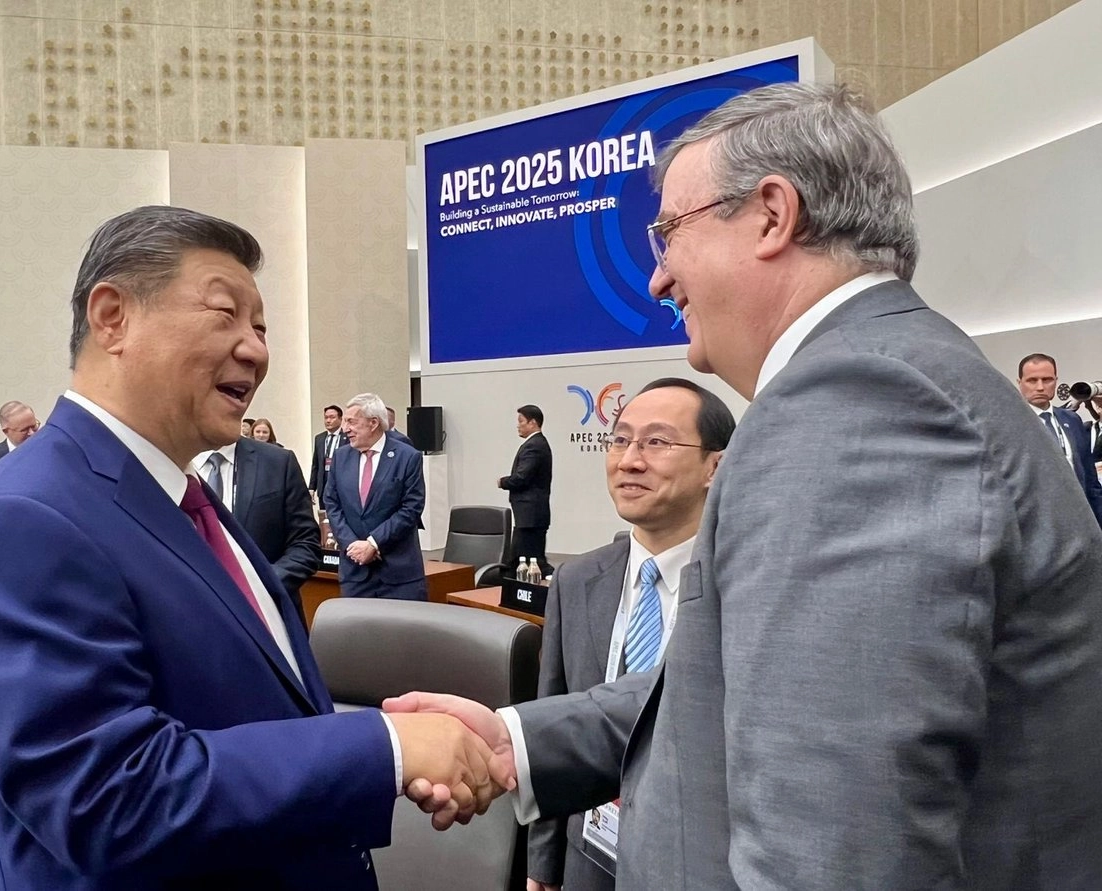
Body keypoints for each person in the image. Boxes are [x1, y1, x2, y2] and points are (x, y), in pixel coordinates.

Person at [388, 83, 1102, 889]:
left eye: (667, 233)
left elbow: (836, 852)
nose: (658, 280)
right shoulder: (886, 380)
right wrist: (509, 742)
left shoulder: (857, 401)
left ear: (771, 214)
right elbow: (750, 684)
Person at [0, 206, 500, 889]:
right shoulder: (22, 517)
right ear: (112, 317)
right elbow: (106, 797)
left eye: (260, 326)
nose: (256, 348)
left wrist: (391, 736)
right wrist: (384, 748)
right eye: (225, 314)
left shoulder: (185, 502)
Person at [527, 378, 732, 891]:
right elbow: (560, 724)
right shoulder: (575, 581)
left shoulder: (748, 589)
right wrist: (544, 864)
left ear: (716, 466)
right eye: (620, 440)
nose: (630, 460)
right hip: (589, 856)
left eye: (657, 442)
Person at [324, 392, 427, 600]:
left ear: (373, 423)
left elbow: (412, 508)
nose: (345, 429)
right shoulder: (341, 457)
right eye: (344, 421)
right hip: (355, 573)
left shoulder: (407, 457)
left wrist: (373, 543)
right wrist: (352, 545)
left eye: (351, 422)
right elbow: (332, 503)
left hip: (398, 575)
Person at [195, 433, 321, 598]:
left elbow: (305, 542)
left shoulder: (278, 462)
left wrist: (263, 586)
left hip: (264, 611)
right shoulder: (165, 464)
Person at [1016, 352, 1102, 527]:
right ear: (1020, 383)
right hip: (1036, 524)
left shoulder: (1071, 419)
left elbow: (1091, 480)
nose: (1040, 387)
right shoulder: (1009, 423)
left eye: (1047, 380)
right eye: (1032, 380)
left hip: (1081, 519)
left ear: (1056, 381)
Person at [498, 404, 553, 577]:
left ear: (533, 423)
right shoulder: (537, 443)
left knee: (527, 559)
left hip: (530, 514)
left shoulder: (534, 445)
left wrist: (503, 482)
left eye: (521, 421)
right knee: (532, 558)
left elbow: (522, 477)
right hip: (530, 514)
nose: (518, 425)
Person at [0, 400, 40, 467]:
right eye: (24, 430)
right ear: (6, 431)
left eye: (34, 426)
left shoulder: (48, 451)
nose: (32, 433)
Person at [309, 404, 348, 511]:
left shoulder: (347, 437)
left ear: (340, 419)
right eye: (326, 417)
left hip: (341, 481)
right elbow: (315, 464)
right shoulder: (319, 438)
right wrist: (312, 487)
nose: (328, 420)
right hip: (324, 480)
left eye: (332, 417)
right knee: (324, 514)